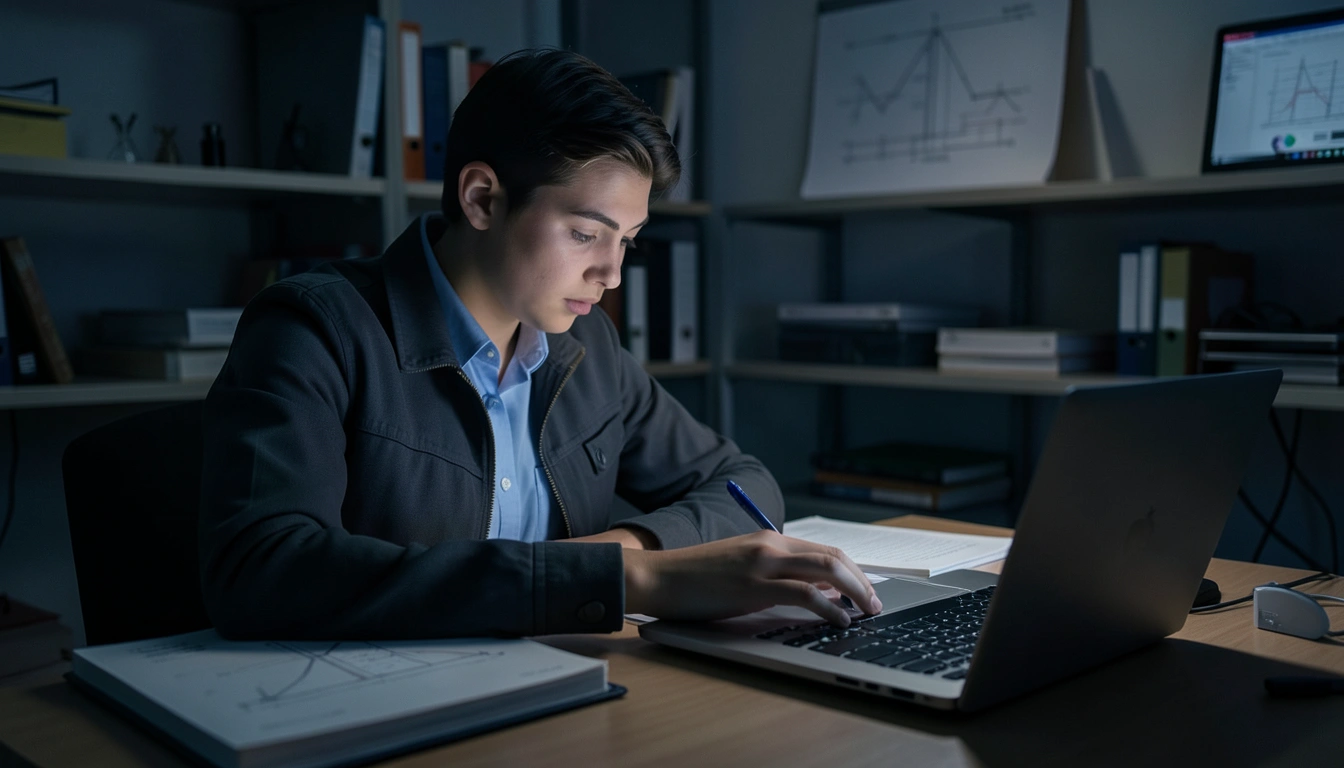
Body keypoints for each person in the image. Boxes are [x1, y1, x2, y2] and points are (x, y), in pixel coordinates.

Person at [199, 48, 880, 640]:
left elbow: (743, 486)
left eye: (628, 242)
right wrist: (629, 581)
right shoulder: (312, 328)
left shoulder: (589, 347)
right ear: (483, 199)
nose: (611, 274)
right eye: (587, 234)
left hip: (556, 680)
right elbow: (263, 569)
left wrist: (625, 553)